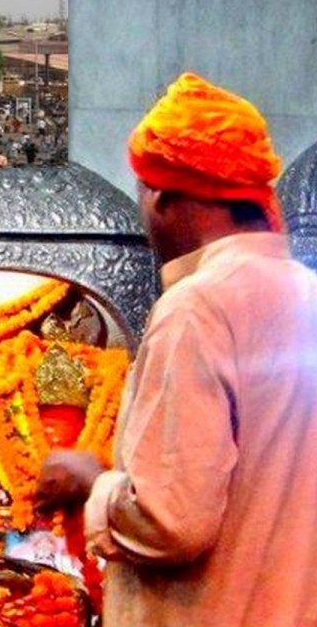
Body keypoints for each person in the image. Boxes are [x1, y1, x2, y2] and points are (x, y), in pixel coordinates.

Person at [35, 72, 317, 626]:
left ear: (162, 196)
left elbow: (172, 521)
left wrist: (91, 481)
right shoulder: (307, 292)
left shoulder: (198, 307)